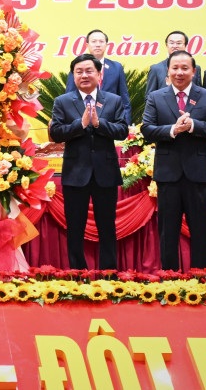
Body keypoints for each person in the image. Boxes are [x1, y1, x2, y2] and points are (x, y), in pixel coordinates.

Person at [141, 50, 206, 270]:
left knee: (200, 230)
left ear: (193, 71)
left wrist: (194, 125)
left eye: (185, 68)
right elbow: (147, 129)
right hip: (168, 174)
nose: (179, 72)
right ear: (167, 71)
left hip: (199, 174)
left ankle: (201, 277)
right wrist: (173, 130)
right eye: (175, 68)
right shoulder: (156, 97)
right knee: (168, 231)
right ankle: (169, 276)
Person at [49, 53, 128, 269]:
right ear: (73, 76)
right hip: (75, 173)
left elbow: (122, 131)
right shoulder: (63, 101)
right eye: (79, 72)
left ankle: (109, 272)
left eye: (89, 71)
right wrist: (80, 124)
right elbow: (56, 133)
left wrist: (99, 123)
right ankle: (78, 273)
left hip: (106, 173)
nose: (84, 75)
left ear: (99, 74)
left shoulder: (113, 100)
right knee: (75, 227)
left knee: (107, 227)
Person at [65, 29, 131, 124]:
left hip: (110, 123)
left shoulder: (116, 67)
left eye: (101, 41)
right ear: (87, 45)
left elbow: (124, 100)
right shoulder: (78, 66)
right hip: (82, 121)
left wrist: (126, 125)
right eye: (94, 41)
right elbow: (69, 97)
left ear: (106, 45)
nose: (98, 45)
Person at [145, 31, 202, 97]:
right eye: (171, 43)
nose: (175, 46)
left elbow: (200, 94)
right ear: (166, 45)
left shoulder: (195, 68)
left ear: (185, 45)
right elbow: (149, 97)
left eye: (179, 43)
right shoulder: (156, 69)